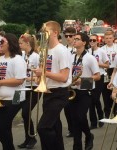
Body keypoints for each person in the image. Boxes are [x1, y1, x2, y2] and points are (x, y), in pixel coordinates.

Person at [34, 21, 72, 150]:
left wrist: (44, 72)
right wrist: (38, 77)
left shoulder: (61, 51)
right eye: (42, 32)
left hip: (59, 93)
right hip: (48, 92)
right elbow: (45, 72)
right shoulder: (45, 50)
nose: (43, 35)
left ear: (55, 33)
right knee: (55, 126)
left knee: (43, 128)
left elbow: (63, 77)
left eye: (46, 32)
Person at [0, 33, 27, 150]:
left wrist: (0, 83)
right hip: (0, 98)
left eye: (2, 42)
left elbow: (19, 80)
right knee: (4, 128)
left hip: (14, 98)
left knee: (0, 127)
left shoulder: (18, 60)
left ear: (10, 44)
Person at [69, 32, 100, 150]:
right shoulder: (71, 57)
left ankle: (88, 135)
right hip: (72, 91)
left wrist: (82, 81)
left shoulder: (90, 58)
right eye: (74, 38)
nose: (74, 40)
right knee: (74, 120)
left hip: (85, 92)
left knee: (81, 117)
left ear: (84, 42)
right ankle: (77, 146)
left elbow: (97, 76)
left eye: (77, 39)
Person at [17, 33, 39, 149]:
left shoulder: (35, 56)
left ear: (27, 43)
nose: (19, 45)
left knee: (26, 112)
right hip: (24, 87)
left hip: (33, 88)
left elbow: (38, 75)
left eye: (21, 43)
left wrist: (29, 78)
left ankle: (32, 137)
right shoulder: (22, 55)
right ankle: (28, 138)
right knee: (25, 114)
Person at [88, 34, 109, 129]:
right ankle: (93, 122)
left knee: (95, 98)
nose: (92, 42)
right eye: (90, 40)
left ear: (97, 41)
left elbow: (107, 65)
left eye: (94, 40)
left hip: (99, 76)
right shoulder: (87, 52)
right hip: (88, 77)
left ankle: (100, 117)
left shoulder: (101, 51)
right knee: (89, 100)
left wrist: (97, 64)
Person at [63, 26, 76, 138]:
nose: (68, 38)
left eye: (70, 36)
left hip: (77, 80)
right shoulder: (63, 49)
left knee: (76, 109)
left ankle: (77, 127)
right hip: (67, 81)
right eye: (66, 36)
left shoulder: (78, 48)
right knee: (67, 108)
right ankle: (71, 128)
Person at [101, 30, 117, 118]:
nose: (109, 40)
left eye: (110, 38)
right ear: (104, 39)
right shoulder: (102, 49)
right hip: (106, 71)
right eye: (106, 38)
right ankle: (107, 113)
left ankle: (115, 112)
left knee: (115, 92)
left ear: (113, 38)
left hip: (115, 71)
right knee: (106, 93)